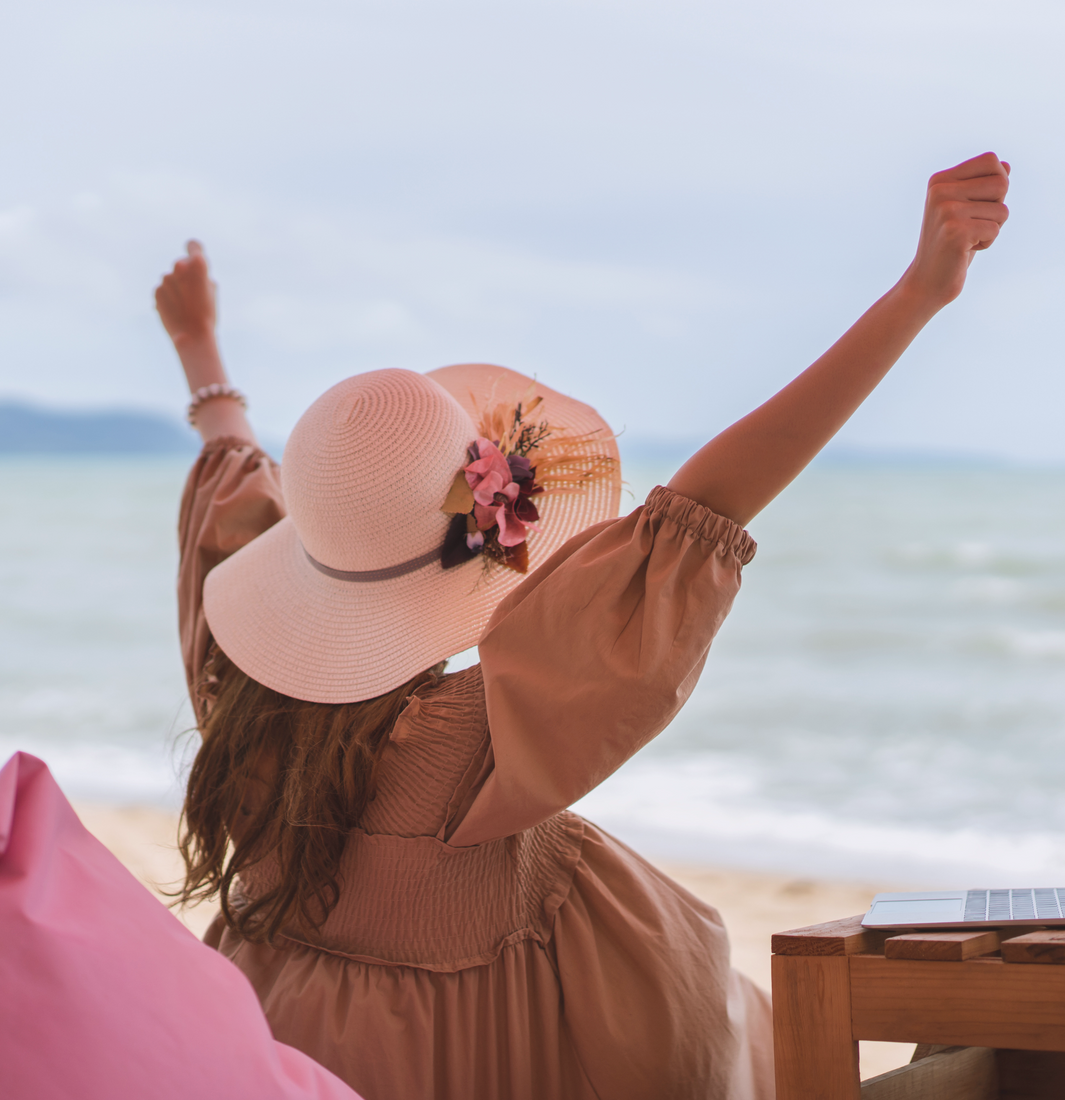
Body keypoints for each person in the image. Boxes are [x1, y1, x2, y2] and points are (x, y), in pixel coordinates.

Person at [155, 152, 1010, 1100]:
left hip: (275, 1045)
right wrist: (916, 297)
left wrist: (199, 351)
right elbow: (710, 504)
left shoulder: (246, 701)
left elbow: (233, 475)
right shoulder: (473, 743)